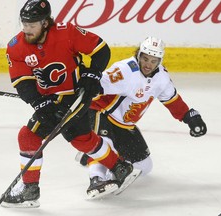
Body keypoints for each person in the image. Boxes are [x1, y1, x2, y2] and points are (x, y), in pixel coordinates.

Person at [2, 0, 135, 208]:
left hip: (75, 96)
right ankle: (119, 166)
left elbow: (100, 49)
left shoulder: (67, 33)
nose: (27, 30)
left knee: (28, 136)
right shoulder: (16, 46)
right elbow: (23, 82)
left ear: (45, 23)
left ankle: (30, 190)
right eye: (24, 24)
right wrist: (40, 103)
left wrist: (92, 75)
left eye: (32, 25)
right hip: (51, 100)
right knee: (81, 139)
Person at [75, 36, 207, 198]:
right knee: (104, 145)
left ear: (159, 61)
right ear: (139, 55)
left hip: (124, 125)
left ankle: (91, 156)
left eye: (153, 61)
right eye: (145, 58)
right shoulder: (125, 70)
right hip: (101, 112)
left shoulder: (161, 78)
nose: (148, 64)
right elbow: (97, 84)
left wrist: (189, 117)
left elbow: (172, 100)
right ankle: (97, 179)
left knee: (144, 167)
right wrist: (88, 86)